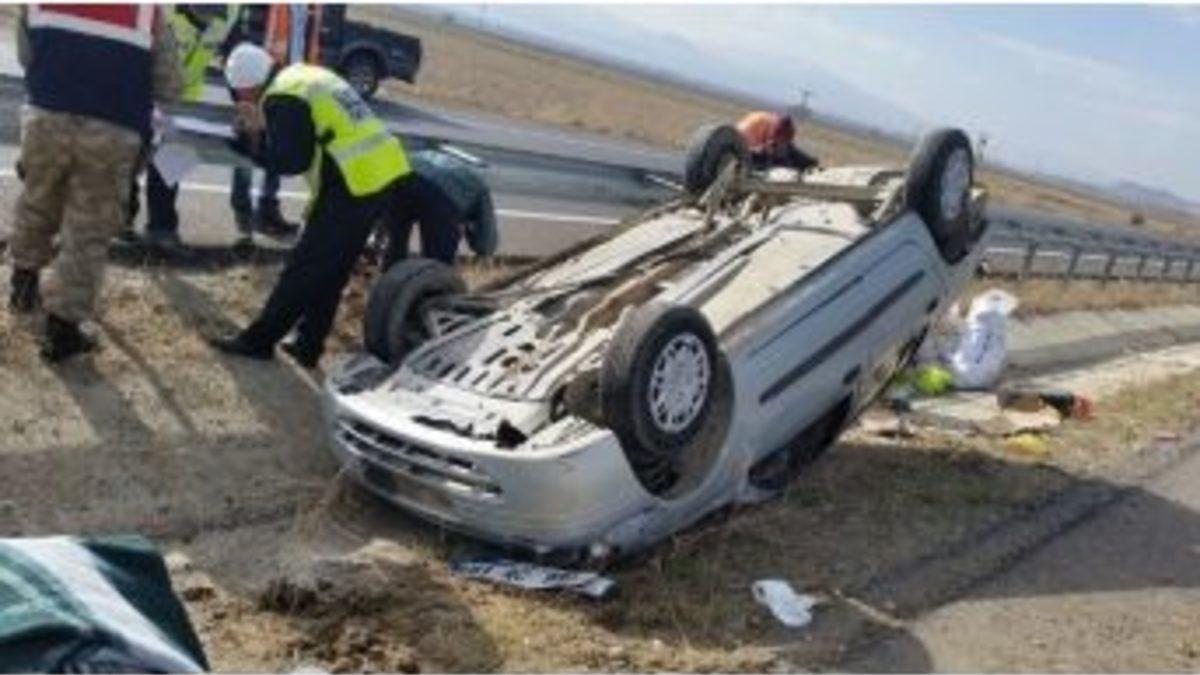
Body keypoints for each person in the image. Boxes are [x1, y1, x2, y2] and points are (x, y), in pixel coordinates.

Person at [209, 43, 412, 369]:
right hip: (381, 172)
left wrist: (249, 145)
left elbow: (291, 160)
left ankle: (259, 341)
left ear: (246, 87)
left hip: (354, 182)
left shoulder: (283, 98)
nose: (239, 100)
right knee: (332, 267)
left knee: (305, 265)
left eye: (237, 94)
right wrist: (261, 138)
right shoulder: (302, 75)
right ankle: (308, 345)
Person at [7, 4, 181, 362]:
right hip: (112, 129)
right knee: (87, 229)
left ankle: (23, 287)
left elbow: (26, 55)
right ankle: (61, 330)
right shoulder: (148, 11)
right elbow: (169, 84)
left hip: (46, 116)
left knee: (37, 200)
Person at [125, 4, 238, 254]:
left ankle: (162, 231)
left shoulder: (230, 12)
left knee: (172, 164)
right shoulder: (162, 10)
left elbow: (234, 55)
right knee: (130, 156)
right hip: (141, 87)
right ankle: (122, 222)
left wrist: (242, 100)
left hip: (185, 101)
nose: (210, 21)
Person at [227, 5, 300, 240]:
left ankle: (267, 210)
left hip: (281, 78)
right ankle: (243, 213)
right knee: (245, 146)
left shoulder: (305, 8)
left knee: (274, 147)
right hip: (249, 70)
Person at [383, 148, 499, 268]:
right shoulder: (480, 188)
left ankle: (391, 271)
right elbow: (486, 231)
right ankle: (432, 276)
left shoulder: (428, 155)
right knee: (438, 258)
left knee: (396, 240)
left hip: (406, 176)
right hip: (442, 194)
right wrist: (483, 252)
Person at [736, 111, 818, 172]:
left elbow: (786, 146)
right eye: (780, 138)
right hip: (749, 156)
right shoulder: (750, 126)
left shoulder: (782, 130)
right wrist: (761, 149)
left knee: (789, 152)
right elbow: (740, 150)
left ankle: (810, 165)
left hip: (765, 152)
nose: (781, 142)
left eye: (784, 139)